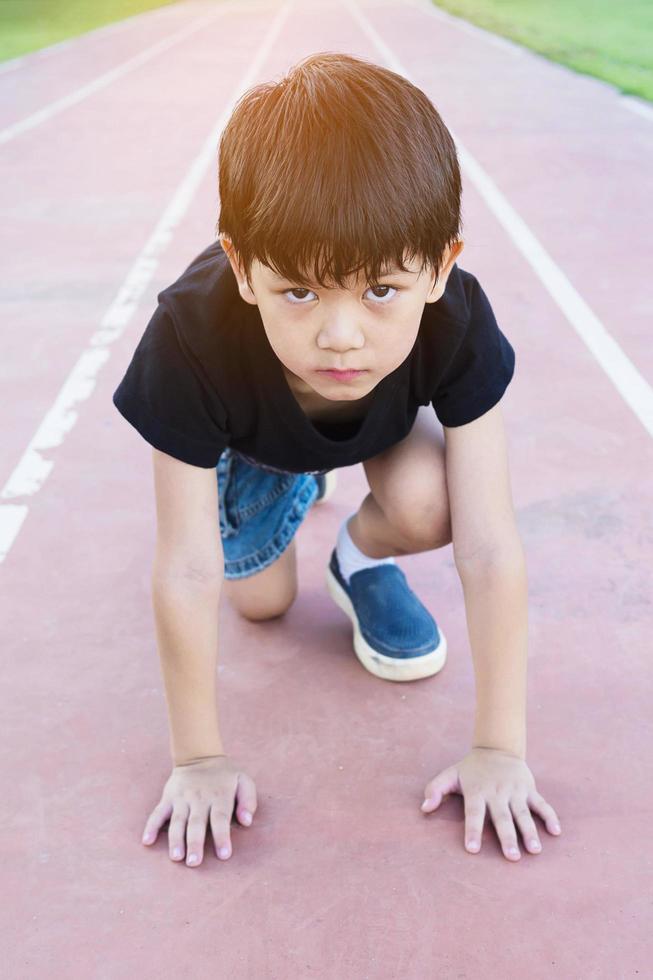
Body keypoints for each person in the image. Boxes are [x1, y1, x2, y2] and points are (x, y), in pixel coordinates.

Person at [112, 52, 562, 869]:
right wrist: (198, 759)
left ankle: (358, 557)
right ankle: (290, 482)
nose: (342, 336)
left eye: (381, 290)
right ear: (244, 269)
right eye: (300, 293)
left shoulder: (457, 319)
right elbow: (183, 567)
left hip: (380, 429)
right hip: (250, 440)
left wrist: (499, 746)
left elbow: (490, 541)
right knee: (259, 604)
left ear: (440, 267)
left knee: (434, 503)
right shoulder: (188, 336)